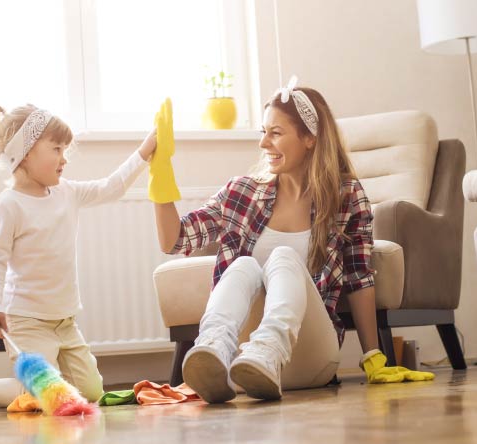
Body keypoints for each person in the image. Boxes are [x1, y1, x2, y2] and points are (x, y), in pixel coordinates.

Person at [149, 77, 434, 404]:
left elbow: (359, 278)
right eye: (263, 132)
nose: (263, 143)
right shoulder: (242, 193)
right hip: (240, 365)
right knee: (242, 265)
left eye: (276, 133)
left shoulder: (346, 197)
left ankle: (269, 349)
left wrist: (374, 356)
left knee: (283, 257)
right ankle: (212, 347)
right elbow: (175, 240)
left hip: (308, 357)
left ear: (310, 138)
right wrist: (161, 175)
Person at [0, 104, 157, 411]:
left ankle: (44, 385)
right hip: (26, 321)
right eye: (57, 149)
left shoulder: (67, 193)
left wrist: (144, 152)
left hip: (65, 321)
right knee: (42, 395)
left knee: (90, 392)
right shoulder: (8, 205)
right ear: (24, 154)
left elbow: (110, 187)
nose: (64, 159)